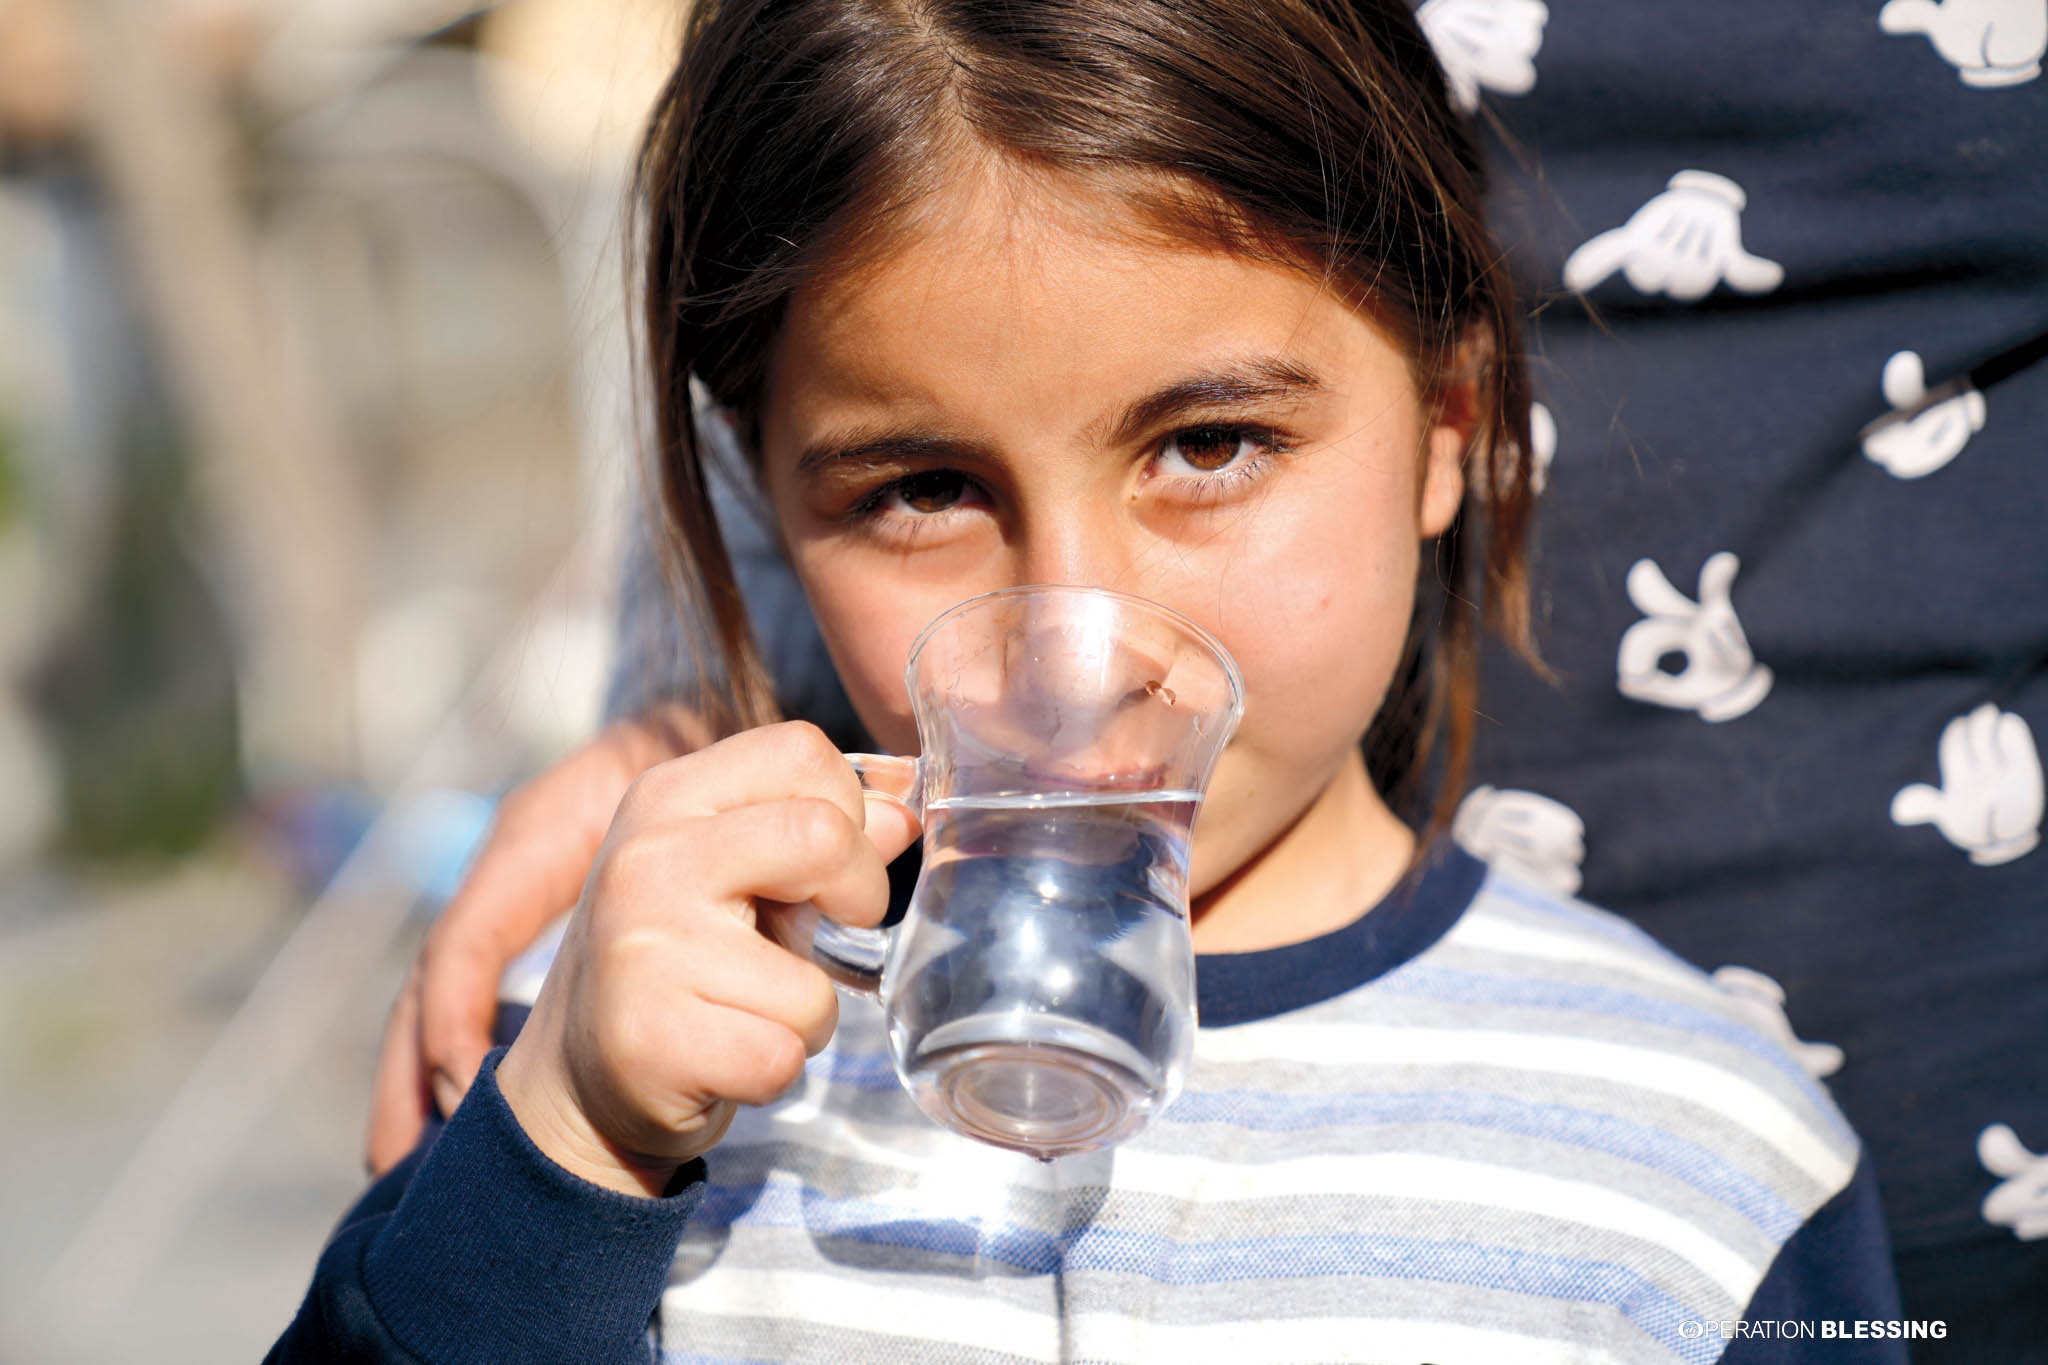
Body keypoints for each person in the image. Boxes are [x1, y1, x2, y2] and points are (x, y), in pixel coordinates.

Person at [293, 1, 1908, 1359]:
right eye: (920, 487)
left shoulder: (1711, 1149)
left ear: (1446, 432)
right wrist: (566, 1149)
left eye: (1211, 446)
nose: (1074, 646)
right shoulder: (632, 1042)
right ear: (770, 501)